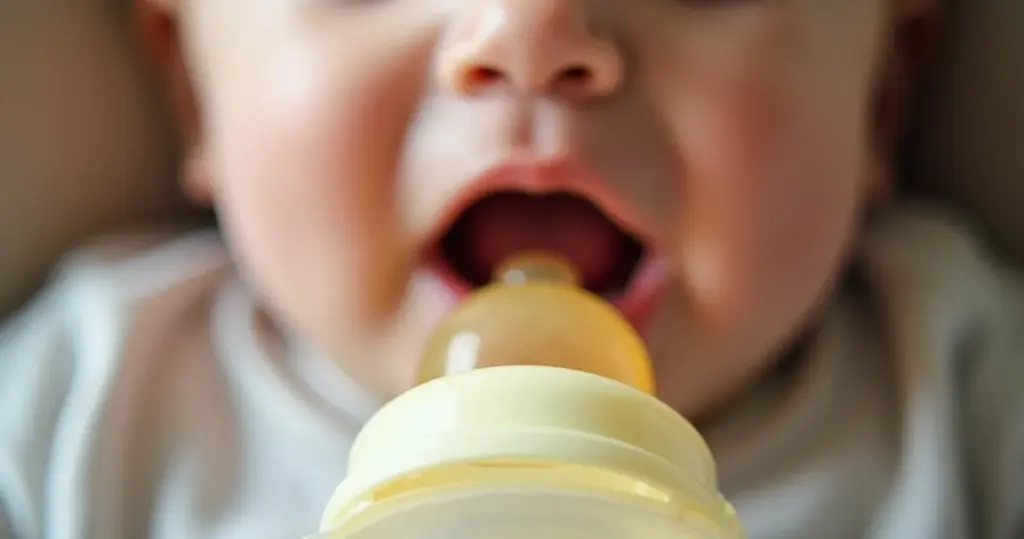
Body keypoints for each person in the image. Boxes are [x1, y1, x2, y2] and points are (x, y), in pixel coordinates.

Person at [1, 0, 1021, 537]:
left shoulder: (958, 390)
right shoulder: (92, 410)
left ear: (882, 91)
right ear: (192, 88)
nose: (531, 29)